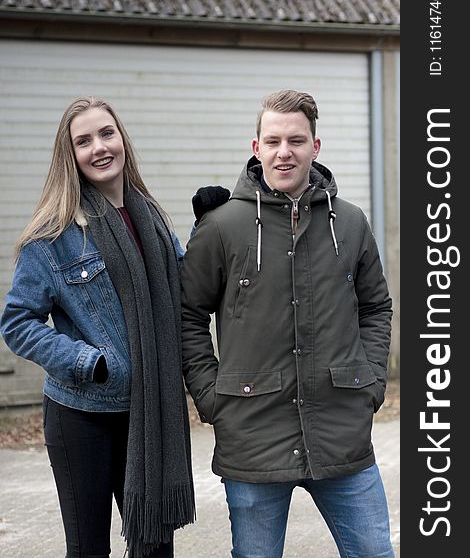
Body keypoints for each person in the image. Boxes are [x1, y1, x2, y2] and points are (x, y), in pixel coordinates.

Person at [181, 89, 395, 558]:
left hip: (342, 435)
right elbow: (188, 314)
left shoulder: (352, 223)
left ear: (315, 146)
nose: (285, 152)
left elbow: (376, 307)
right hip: (252, 437)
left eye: (296, 141)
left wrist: (372, 382)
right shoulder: (221, 226)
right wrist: (211, 396)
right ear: (255, 147)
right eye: (273, 141)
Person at [0, 96, 197, 558]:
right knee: (89, 549)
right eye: (83, 141)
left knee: (153, 548)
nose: (99, 147)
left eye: (106, 133)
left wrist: (208, 227)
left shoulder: (152, 219)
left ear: (122, 139)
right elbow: (17, 321)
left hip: (147, 413)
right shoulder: (52, 234)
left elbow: (188, 291)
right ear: (69, 155)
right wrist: (88, 361)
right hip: (82, 415)